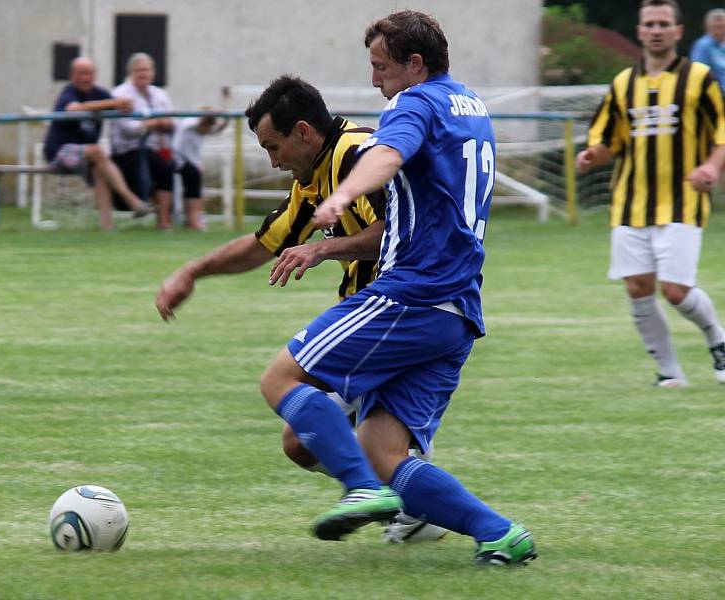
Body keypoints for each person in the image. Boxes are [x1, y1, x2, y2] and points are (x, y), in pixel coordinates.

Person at [258, 11, 536, 566]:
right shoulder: (471, 106)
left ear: (415, 64)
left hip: (414, 290)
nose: (374, 80)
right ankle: (500, 533)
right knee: (385, 449)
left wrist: (343, 197)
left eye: (381, 67)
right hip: (458, 308)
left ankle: (361, 489)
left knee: (281, 378)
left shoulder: (414, 102)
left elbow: (386, 154)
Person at [156, 75, 447, 544]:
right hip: (379, 312)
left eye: (274, 147)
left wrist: (323, 250)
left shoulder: (357, 155)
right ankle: (408, 493)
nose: (273, 162)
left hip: (399, 309)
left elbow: (400, 233)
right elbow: (263, 245)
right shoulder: (313, 177)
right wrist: (194, 270)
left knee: (284, 386)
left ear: (305, 132)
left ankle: (387, 491)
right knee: (301, 441)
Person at [576, 0, 725, 387]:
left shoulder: (700, 78)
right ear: (640, 32)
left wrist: (711, 166)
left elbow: (721, 130)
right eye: (650, 24)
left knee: (675, 291)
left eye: (664, 23)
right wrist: (593, 156)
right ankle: (669, 373)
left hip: (682, 200)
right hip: (630, 202)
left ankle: (718, 341)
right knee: (638, 288)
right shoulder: (623, 83)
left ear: (678, 32)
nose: (656, 30)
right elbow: (609, 139)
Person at [42, 57, 153, 231]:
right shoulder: (68, 92)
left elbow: (120, 108)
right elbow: (73, 109)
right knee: (97, 151)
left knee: (99, 168)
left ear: (95, 75)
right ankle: (133, 201)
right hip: (59, 152)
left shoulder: (100, 93)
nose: (85, 78)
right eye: (81, 74)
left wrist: (126, 105)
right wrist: (113, 103)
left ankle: (107, 227)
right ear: (72, 76)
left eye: (89, 74)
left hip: (87, 156)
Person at [110, 53, 175, 230]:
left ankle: (165, 221)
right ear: (131, 72)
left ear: (153, 72)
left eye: (146, 69)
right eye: (139, 70)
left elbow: (173, 123)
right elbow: (128, 129)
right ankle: (163, 220)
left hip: (157, 149)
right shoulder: (120, 94)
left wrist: (158, 124)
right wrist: (156, 123)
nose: (143, 74)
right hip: (127, 152)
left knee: (185, 169)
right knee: (163, 168)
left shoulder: (160, 94)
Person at [173, 110, 227, 230]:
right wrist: (212, 112)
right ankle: (193, 220)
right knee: (193, 181)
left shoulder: (202, 128)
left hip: (190, 164)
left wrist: (224, 115)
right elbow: (196, 123)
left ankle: (192, 219)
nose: (208, 132)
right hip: (179, 161)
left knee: (195, 184)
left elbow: (219, 128)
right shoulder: (189, 124)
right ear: (204, 123)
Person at [690, 9, 725, 92]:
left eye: (722, 26)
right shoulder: (702, 46)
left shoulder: (722, 44)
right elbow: (697, 75)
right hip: (716, 96)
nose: (720, 31)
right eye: (717, 27)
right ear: (707, 28)